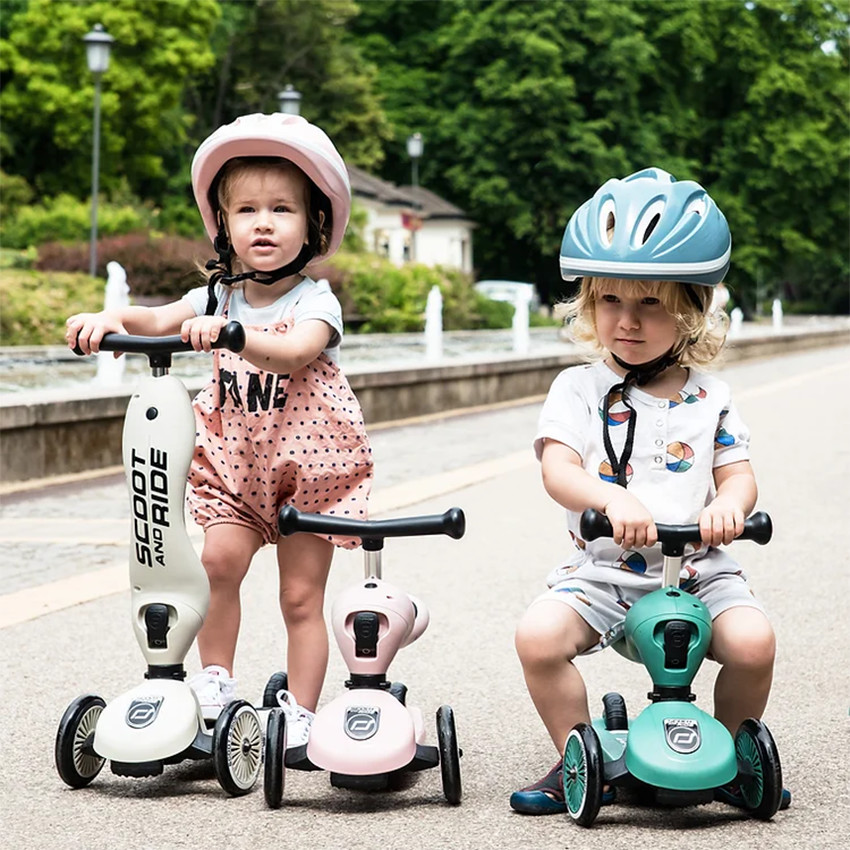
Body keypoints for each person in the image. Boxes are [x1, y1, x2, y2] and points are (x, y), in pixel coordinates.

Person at [66, 113, 373, 747]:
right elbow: (153, 318)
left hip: (307, 475)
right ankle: (215, 682)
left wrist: (236, 334)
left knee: (298, 596)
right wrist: (104, 318)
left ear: (313, 225)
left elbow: (294, 354)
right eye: (248, 210)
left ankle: (302, 713)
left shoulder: (315, 302)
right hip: (236, 471)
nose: (264, 223)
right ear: (224, 226)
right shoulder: (216, 296)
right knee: (215, 566)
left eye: (283, 209)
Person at [510, 167, 790, 814]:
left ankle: (734, 752)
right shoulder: (576, 390)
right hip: (606, 572)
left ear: (690, 309)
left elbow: (738, 474)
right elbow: (559, 468)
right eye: (610, 301)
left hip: (698, 570)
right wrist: (611, 499)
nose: (626, 321)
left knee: (754, 643)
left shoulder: (712, 398)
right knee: (538, 638)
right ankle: (572, 758)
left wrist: (729, 506)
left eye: (650, 304)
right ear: (590, 303)